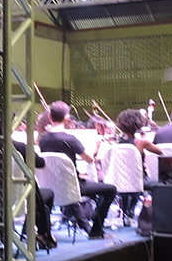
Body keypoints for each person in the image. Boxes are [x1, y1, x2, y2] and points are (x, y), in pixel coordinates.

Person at [39, 100, 117, 240]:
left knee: (73, 183)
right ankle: (96, 230)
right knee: (111, 190)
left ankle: (85, 225)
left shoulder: (43, 139)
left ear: (50, 117)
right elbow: (89, 159)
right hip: (73, 187)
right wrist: (95, 146)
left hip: (50, 187)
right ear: (67, 118)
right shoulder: (71, 139)